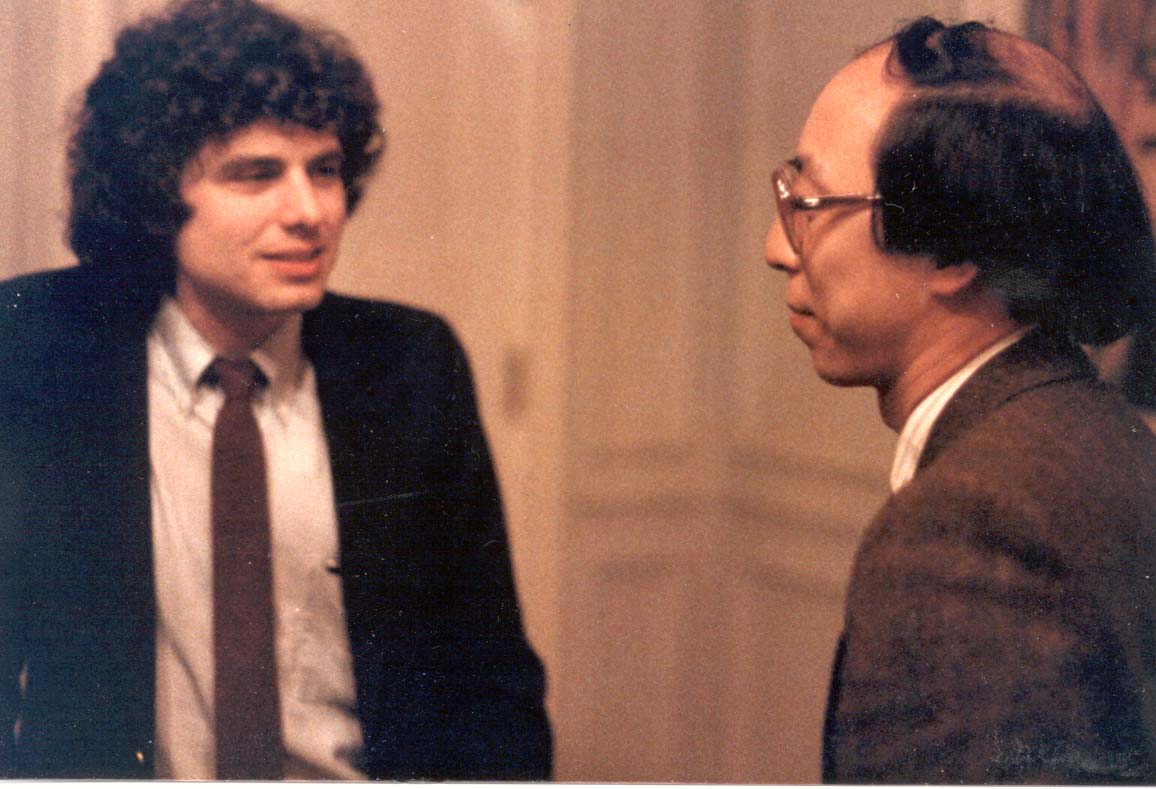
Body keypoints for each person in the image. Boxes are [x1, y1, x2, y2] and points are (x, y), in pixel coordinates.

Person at [0, 0, 551, 780]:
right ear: (156, 195)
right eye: (256, 174)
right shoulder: (40, 351)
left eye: (324, 170)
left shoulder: (409, 364)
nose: (310, 212)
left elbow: (493, 681)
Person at [765, 17, 1156, 783]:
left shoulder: (968, 530)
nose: (777, 248)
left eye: (808, 205)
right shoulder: (1107, 436)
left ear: (953, 249)